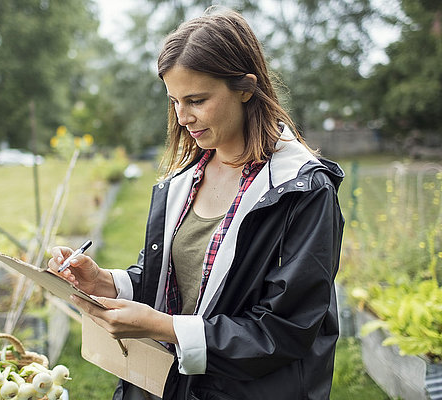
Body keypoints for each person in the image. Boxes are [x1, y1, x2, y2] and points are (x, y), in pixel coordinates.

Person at [48, 7, 344, 400]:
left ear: (244, 87)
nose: (183, 117)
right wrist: (106, 282)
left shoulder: (303, 191)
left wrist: (162, 327)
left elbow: (284, 331)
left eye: (197, 100)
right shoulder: (182, 183)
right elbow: (174, 280)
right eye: (174, 101)